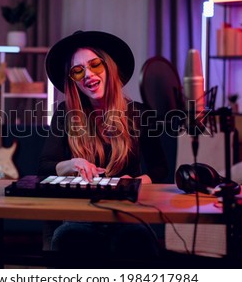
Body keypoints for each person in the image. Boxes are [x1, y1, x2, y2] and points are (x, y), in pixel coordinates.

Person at [38, 30, 168, 261]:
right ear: (73, 81)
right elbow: (45, 167)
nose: (87, 75)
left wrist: (137, 182)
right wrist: (73, 163)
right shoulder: (64, 113)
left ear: (108, 67)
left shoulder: (140, 113)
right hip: (78, 215)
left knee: (136, 241)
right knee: (71, 238)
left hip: (126, 214)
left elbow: (160, 169)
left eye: (94, 65)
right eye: (78, 71)